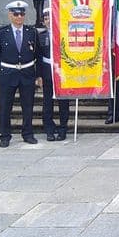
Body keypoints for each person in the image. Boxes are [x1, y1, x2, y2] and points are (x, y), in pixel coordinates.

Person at [0, 0, 41, 147]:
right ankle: (5, 136)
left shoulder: (32, 32)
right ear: (10, 15)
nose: (19, 17)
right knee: (5, 107)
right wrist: (7, 67)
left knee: (28, 106)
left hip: (27, 73)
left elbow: (37, 54)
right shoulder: (1, 33)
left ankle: (28, 134)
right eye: (16, 14)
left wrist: (38, 75)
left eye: (22, 14)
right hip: (8, 74)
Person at [37, 8, 70, 141]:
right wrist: (39, 75)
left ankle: (63, 129)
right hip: (47, 71)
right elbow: (38, 57)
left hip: (62, 71)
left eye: (50, 18)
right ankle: (49, 130)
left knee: (63, 103)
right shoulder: (40, 36)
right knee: (47, 102)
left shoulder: (64, 34)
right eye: (46, 19)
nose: (48, 21)